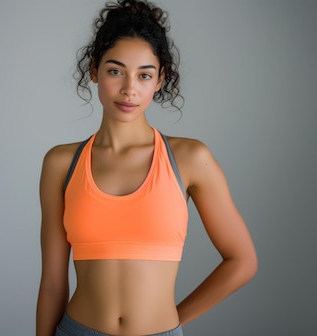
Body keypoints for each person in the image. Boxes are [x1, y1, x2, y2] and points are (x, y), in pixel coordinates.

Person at [36, 0, 257, 335]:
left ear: (159, 79)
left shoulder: (190, 158)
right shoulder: (61, 163)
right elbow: (53, 283)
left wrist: (174, 322)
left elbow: (242, 261)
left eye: (144, 75)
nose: (129, 89)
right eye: (115, 71)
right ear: (94, 70)